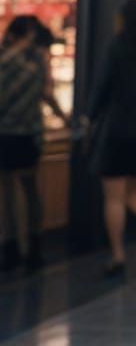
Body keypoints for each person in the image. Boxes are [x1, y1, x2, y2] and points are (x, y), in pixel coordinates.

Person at [87, 0, 136, 277]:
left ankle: (118, 255)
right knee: (133, 191)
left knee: (114, 196)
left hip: (117, 130)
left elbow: (102, 87)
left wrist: (90, 116)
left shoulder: (116, 47)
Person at [0, 16, 69, 272]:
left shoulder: (8, 59)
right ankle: (33, 246)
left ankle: (10, 247)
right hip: (28, 134)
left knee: (7, 191)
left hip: (7, 134)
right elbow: (47, 95)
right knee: (30, 191)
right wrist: (65, 120)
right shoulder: (35, 63)